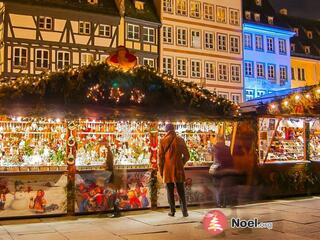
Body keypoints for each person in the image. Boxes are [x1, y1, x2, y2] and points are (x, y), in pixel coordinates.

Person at [158, 123, 190, 217]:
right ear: (174, 129)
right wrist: (181, 163)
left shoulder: (163, 141)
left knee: (170, 190)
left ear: (166, 130)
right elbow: (187, 156)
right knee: (181, 190)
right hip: (179, 169)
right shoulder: (180, 140)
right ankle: (185, 211)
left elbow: (160, 159)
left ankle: (172, 211)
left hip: (167, 170)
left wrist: (161, 171)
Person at [211, 135, 240, 208]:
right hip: (227, 169)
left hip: (219, 169)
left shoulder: (214, 147)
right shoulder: (227, 148)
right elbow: (230, 159)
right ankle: (225, 202)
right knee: (225, 187)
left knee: (218, 188)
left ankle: (220, 203)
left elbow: (214, 157)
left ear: (217, 139)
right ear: (223, 140)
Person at [105, 144, 121, 218]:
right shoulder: (110, 154)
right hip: (113, 177)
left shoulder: (109, 155)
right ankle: (116, 211)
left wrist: (106, 167)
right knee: (114, 195)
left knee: (114, 195)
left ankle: (116, 211)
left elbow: (109, 165)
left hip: (112, 177)